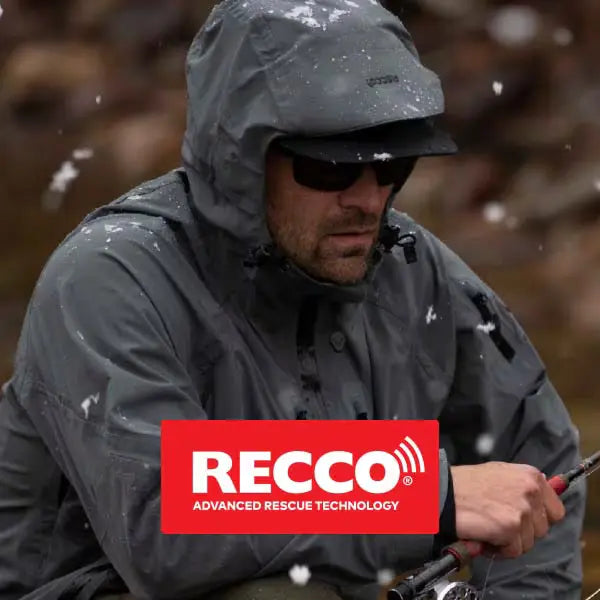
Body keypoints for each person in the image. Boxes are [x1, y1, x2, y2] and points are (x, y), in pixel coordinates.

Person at [0, 0, 586, 599]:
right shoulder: (106, 278)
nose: (368, 200)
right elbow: (163, 513)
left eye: (392, 166)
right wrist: (429, 494)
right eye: (331, 170)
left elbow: (535, 464)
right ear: (244, 159)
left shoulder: (409, 265)